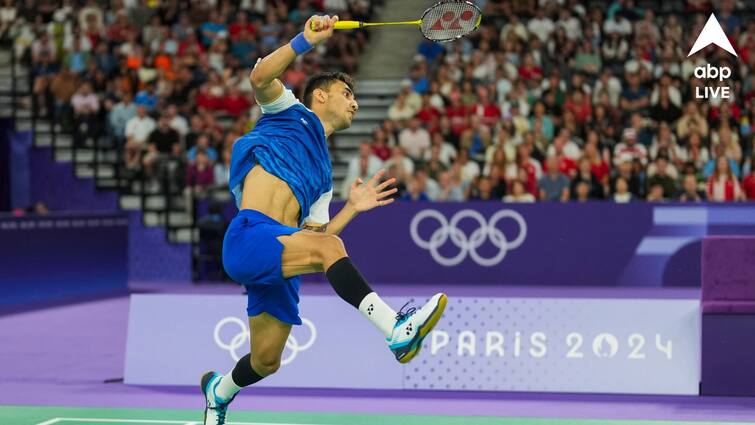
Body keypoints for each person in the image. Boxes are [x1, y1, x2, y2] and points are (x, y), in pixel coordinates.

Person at [201, 16, 447, 425]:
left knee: (266, 361)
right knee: (329, 251)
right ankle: (395, 329)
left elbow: (316, 237)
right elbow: (261, 76)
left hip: (281, 256)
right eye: (346, 93)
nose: (354, 102)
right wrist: (304, 40)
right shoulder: (288, 113)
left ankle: (218, 390)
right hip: (248, 235)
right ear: (318, 96)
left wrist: (351, 208)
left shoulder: (324, 177)